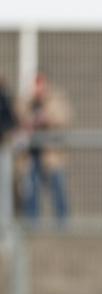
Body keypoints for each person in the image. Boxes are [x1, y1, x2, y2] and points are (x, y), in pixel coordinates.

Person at [17, 73, 72, 224]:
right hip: (32, 154)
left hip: (52, 154)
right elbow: (20, 118)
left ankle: (63, 222)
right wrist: (30, 121)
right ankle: (32, 223)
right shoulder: (28, 102)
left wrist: (48, 118)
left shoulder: (56, 99)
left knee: (57, 187)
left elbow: (65, 118)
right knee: (32, 190)